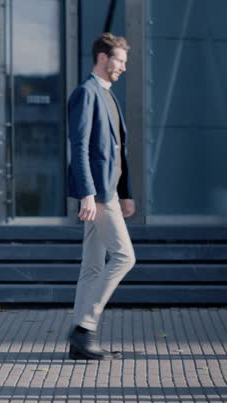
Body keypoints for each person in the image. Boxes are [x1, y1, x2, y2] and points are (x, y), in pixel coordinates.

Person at [66, 32, 137, 360]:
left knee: (92, 266)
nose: (123, 66)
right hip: (98, 194)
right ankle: (85, 327)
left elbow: (118, 152)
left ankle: (79, 343)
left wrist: (127, 193)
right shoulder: (86, 93)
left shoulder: (108, 95)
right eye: (120, 60)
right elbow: (79, 148)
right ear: (103, 58)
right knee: (125, 257)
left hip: (109, 192)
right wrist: (88, 194)